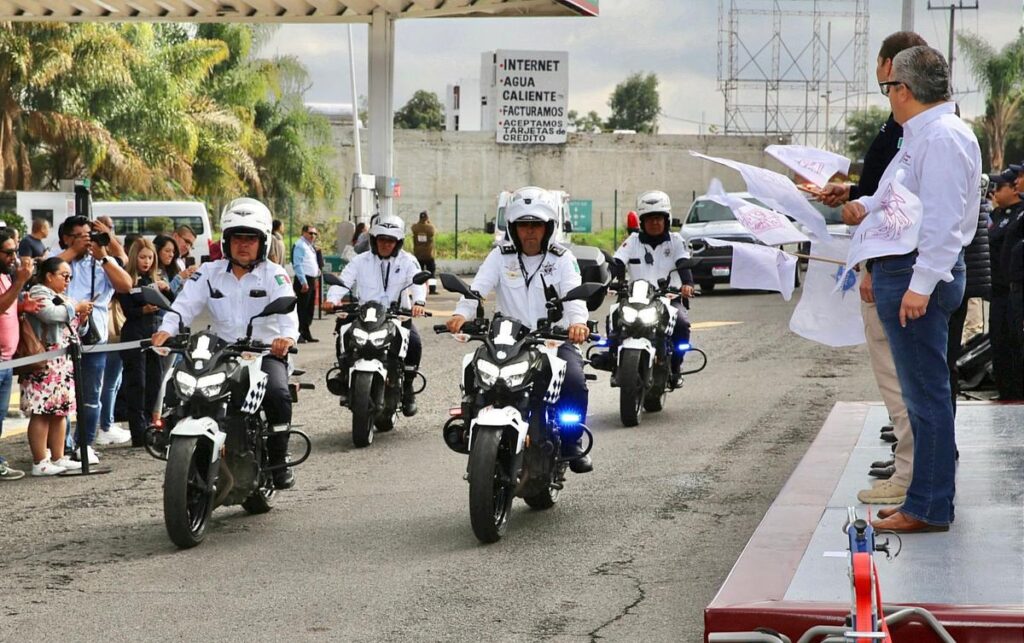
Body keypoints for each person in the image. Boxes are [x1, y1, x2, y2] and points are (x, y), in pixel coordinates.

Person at [842, 46, 981, 533]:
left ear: (902, 89)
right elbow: (898, 200)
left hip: (917, 272)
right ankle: (925, 500)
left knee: (926, 398)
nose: (889, 98)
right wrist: (864, 207)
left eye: (889, 88)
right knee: (923, 396)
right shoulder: (921, 135)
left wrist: (920, 285)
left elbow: (942, 223)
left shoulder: (940, 137)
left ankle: (928, 506)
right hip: (906, 269)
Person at [815, 31, 927, 508]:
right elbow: (884, 189)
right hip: (896, 264)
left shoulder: (917, 129)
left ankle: (911, 476)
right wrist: (855, 193)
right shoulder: (909, 128)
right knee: (909, 380)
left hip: (899, 267)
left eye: (887, 82)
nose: (886, 91)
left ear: (894, 71)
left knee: (901, 379)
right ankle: (914, 466)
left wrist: (872, 264)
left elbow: (903, 206)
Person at [151, 197, 300, 489]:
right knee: (177, 382)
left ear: (263, 242)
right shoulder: (209, 272)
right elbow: (184, 306)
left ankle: (279, 461)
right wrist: (166, 330)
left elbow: (289, 314)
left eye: (250, 239)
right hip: (219, 350)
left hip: (263, 351)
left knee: (278, 394)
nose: (243, 245)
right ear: (227, 241)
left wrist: (287, 339)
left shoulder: (276, 275)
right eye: (237, 238)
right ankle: (168, 433)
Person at [445, 186, 594, 473]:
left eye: (536, 225)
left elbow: (575, 296)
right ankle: (470, 423)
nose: (529, 232)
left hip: (552, 339)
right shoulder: (501, 256)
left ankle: (572, 440)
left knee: (574, 380)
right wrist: (460, 314)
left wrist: (578, 324)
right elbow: (476, 290)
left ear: (548, 227)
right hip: (507, 339)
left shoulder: (562, 259)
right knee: (473, 370)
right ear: (513, 228)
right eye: (523, 225)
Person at [323, 215, 426, 417]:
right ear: (373, 240)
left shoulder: (408, 261)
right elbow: (343, 281)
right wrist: (332, 299)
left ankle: (408, 388)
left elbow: (417, 282)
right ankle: (344, 376)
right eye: (381, 239)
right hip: (365, 315)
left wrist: (419, 303)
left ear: (398, 243)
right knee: (343, 333)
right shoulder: (360, 260)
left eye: (390, 240)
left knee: (414, 343)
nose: (385, 244)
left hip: (397, 316)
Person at [57, 216, 133, 464]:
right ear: (67, 237)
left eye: (89, 235)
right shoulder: (59, 260)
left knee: (91, 396)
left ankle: (84, 444)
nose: (86, 240)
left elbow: (126, 285)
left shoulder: (101, 262)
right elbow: (42, 273)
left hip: (93, 336)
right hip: (60, 336)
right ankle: (61, 447)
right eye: (80, 236)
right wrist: (72, 251)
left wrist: (102, 255)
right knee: (61, 396)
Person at [606, 190, 694, 389]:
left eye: (659, 218)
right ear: (642, 221)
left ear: (666, 219)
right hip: (636, 298)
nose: (655, 223)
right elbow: (617, 262)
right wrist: (606, 281)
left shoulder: (676, 241)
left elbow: (683, 263)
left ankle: (676, 366)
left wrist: (687, 284)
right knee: (613, 317)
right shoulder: (632, 242)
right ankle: (613, 361)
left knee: (681, 323)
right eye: (650, 219)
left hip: (669, 297)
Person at [22, 257, 94, 475]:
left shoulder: (62, 297)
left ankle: (58, 456)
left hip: (63, 362)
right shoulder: (39, 292)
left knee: (60, 411)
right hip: (44, 360)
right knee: (42, 411)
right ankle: (40, 461)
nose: (68, 280)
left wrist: (82, 318)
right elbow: (50, 314)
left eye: (70, 276)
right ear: (49, 276)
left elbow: (74, 328)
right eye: (64, 276)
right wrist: (75, 306)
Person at [117, 239, 171, 446]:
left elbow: (172, 303)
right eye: (142, 257)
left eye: (150, 257)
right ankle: (138, 433)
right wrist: (143, 310)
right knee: (136, 384)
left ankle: (151, 428)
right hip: (134, 334)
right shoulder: (126, 280)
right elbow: (128, 310)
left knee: (154, 383)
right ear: (134, 258)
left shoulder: (156, 278)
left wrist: (165, 288)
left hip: (155, 334)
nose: (146, 261)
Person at [0, 229, 42, 480]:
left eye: (15, 251)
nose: (13, 257)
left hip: (6, 361)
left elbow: (8, 307)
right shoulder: (10, 278)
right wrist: (20, 281)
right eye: (8, 252)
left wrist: (22, 305)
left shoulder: (5, 276)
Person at [987, 169, 1024, 400]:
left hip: (1013, 288)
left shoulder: (1020, 214)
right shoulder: (999, 215)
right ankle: (1006, 391)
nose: (994, 192)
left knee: (1014, 343)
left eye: (1000, 187)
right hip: (999, 290)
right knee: (999, 341)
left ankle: (1017, 392)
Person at [291, 224, 321, 343]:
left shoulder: (310, 246)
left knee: (309, 309)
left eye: (315, 234)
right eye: (310, 233)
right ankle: (298, 333)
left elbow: (310, 262)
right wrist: (303, 281)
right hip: (304, 280)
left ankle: (306, 332)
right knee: (301, 308)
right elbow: (297, 264)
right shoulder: (300, 245)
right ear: (303, 233)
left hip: (312, 279)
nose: (313, 236)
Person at [410, 211, 436, 277]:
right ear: (427, 218)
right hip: (429, 255)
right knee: (431, 274)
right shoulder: (430, 228)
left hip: (418, 254)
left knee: (419, 275)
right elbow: (434, 231)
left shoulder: (415, 227)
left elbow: (413, 228)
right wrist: (428, 222)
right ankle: (432, 287)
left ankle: (420, 287)